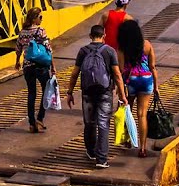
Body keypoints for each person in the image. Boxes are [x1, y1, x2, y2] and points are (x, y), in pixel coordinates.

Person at [66, 24, 127, 168]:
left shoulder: (83, 51)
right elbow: (117, 75)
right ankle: (101, 159)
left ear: (90, 36)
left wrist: (69, 93)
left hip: (87, 92)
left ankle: (91, 152)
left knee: (89, 123)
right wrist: (122, 95)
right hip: (105, 92)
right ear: (104, 35)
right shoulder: (110, 51)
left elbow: (75, 74)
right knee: (103, 124)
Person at [116, 19, 158, 158]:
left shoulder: (122, 47)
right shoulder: (147, 45)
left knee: (128, 110)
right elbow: (153, 67)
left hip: (131, 80)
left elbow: (121, 70)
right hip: (146, 80)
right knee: (142, 114)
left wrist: (120, 88)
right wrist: (156, 86)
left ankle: (128, 141)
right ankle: (143, 148)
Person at [15, 7, 56, 134]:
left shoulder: (22, 32)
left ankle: (32, 124)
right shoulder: (40, 31)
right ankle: (40, 118)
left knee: (31, 93)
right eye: (40, 17)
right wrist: (53, 66)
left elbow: (18, 49)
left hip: (28, 67)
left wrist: (17, 62)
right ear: (34, 18)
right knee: (46, 90)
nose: (41, 19)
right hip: (41, 66)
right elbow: (48, 49)